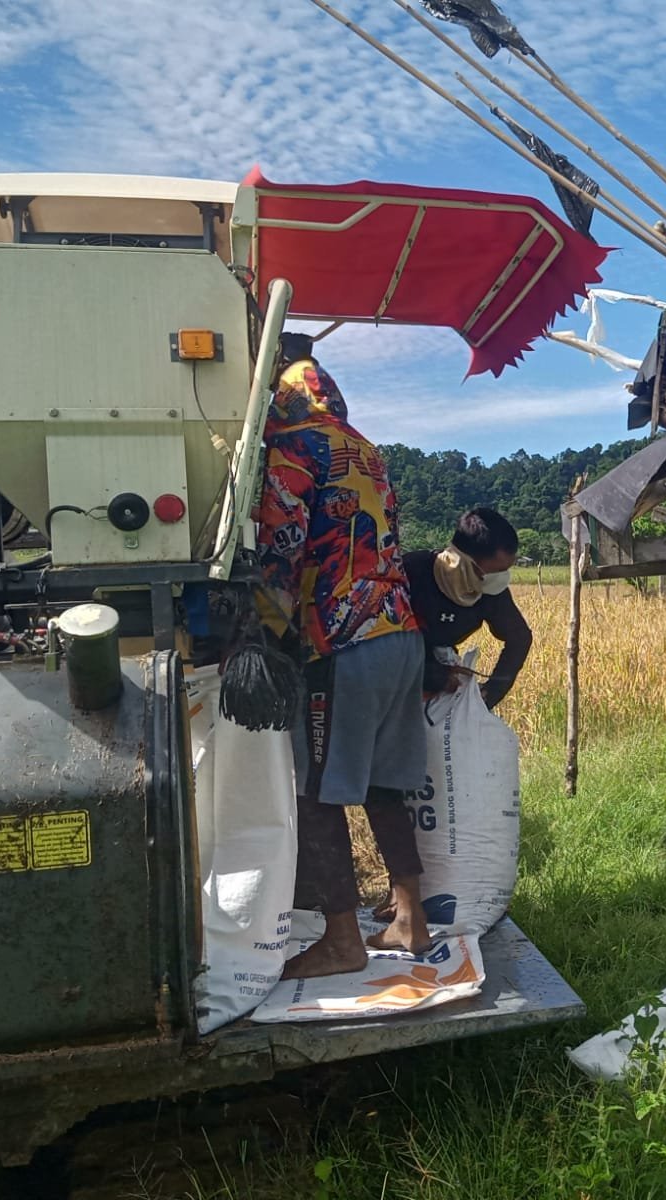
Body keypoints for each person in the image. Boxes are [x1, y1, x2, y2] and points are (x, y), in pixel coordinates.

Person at [256, 331, 430, 976]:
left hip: (341, 639)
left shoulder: (294, 449)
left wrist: (261, 629)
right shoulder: (366, 451)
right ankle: (410, 920)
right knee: (384, 783)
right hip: (401, 631)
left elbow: (281, 547)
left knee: (316, 792)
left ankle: (341, 941)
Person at [403, 508, 533, 710]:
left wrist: (489, 694)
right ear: (463, 562)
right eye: (496, 571)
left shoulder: (491, 591)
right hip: (394, 683)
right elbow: (383, 641)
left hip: (441, 687)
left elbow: (519, 637)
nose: (501, 579)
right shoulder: (408, 573)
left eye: (505, 571)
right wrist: (432, 675)